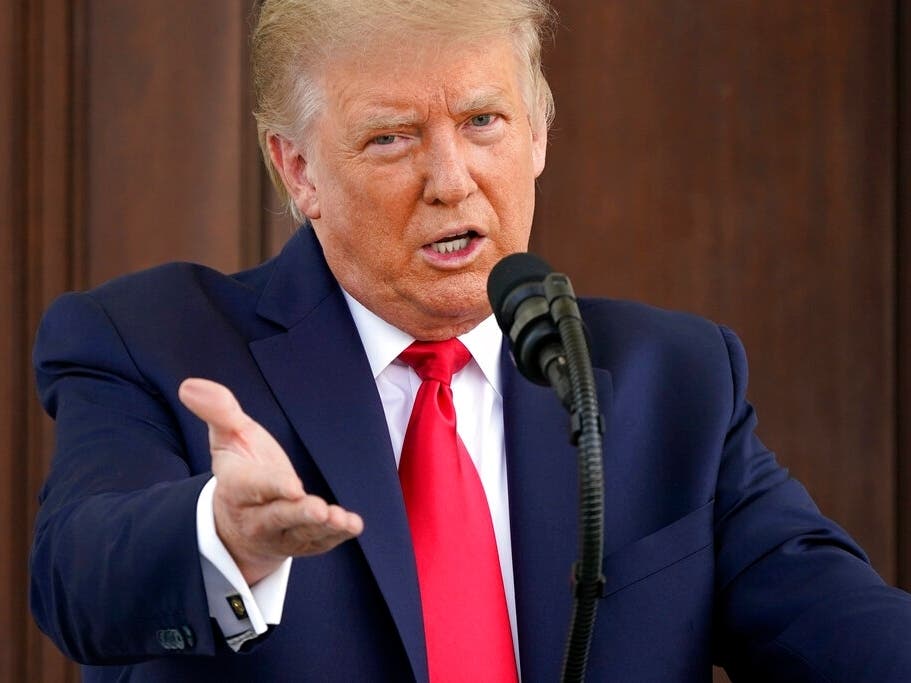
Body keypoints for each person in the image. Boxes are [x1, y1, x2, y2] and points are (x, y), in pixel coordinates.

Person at [29, 0, 911, 681]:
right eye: (391, 137)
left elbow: (842, 624)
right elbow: (76, 574)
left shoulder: (674, 383)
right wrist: (223, 536)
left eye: (483, 122)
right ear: (298, 170)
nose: (451, 181)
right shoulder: (155, 342)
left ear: (537, 135)